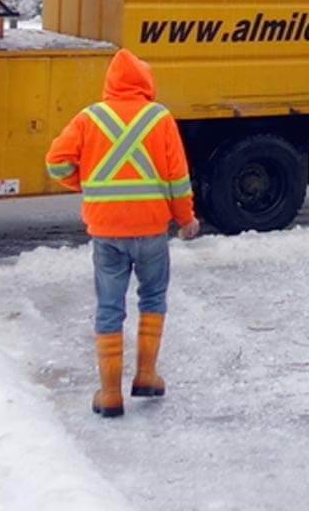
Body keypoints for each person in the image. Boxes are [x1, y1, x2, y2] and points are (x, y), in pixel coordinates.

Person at [45, 48, 200, 419]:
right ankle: (146, 375)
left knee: (109, 308)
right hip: (150, 231)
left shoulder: (89, 118)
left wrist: (85, 183)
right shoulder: (159, 118)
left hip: (106, 232)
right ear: (146, 83)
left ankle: (110, 394)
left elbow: (56, 164)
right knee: (153, 298)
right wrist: (186, 219)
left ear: (110, 83)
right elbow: (177, 178)